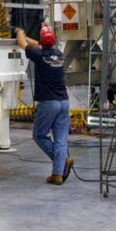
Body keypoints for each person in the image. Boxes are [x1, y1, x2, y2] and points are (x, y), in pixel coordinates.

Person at [16, 24, 73, 184]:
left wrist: (20, 32)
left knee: (39, 135)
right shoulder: (59, 55)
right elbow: (38, 45)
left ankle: (61, 163)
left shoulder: (39, 55)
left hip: (49, 103)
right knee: (61, 140)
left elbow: (22, 43)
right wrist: (28, 37)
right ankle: (57, 175)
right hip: (64, 102)